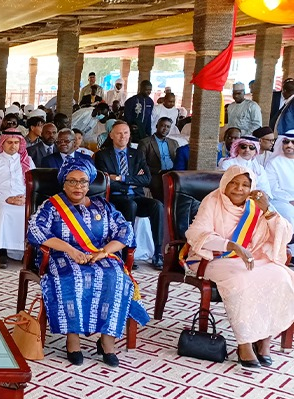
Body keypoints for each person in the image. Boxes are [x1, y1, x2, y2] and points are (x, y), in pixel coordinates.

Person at [27, 158, 149, 367]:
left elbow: (125, 230)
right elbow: (35, 230)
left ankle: (107, 340)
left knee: (114, 276)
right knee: (73, 276)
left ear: (89, 184)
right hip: (62, 256)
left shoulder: (103, 206)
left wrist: (104, 252)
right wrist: (70, 250)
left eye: (83, 181)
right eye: (72, 181)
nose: (78, 186)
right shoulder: (52, 206)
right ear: (63, 183)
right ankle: (72, 340)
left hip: (98, 255)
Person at [184, 165, 294, 368]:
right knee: (243, 279)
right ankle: (244, 343)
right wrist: (231, 245)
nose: (238, 188)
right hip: (215, 258)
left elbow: (285, 234)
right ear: (225, 183)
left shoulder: (256, 205)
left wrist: (268, 211)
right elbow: (196, 233)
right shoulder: (213, 200)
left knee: (281, 276)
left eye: (245, 184)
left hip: (253, 258)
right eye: (233, 182)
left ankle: (264, 342)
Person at [95, 121, 164, 269]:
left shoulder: (137, 153)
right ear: (111, 135)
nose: (123, 136)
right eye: (119, 133)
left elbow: (146, 179)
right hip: (116, 197)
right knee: (130, 205)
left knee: (157, 205)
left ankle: (158, 253)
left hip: (136, 196)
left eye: (126, 133)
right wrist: (132, 182)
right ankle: (127, 253)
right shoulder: (103, 155)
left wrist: (121, 178)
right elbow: (106, 181)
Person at [0, 129, 34, 268]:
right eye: (9, 142)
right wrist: (7, 199)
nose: (13, 146)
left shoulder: (27, 161)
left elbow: (34, 184)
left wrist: (26, 198)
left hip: (22, 199)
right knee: (4, 210)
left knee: (27, 212)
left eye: (16, 142)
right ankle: (2, 251)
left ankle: (24, 252)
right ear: (2, 143)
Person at [137, 117, 179, 201]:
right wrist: (156, 171)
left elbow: (177, 159)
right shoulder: (145, 142)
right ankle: (162, 208)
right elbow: (140, 163)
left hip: (173, 172)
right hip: (155, 173)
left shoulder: (174, 143)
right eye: (162, 126)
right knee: (159, 185)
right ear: (156, 126)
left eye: (168, 127)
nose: (165, 129)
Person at [266, 133, 294, 232]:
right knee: (290, 213)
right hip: (281, 201)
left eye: (293, 142)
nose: (289, 145)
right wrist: (290, 200)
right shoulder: (274, 163)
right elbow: (273, 188)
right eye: (286, 142)